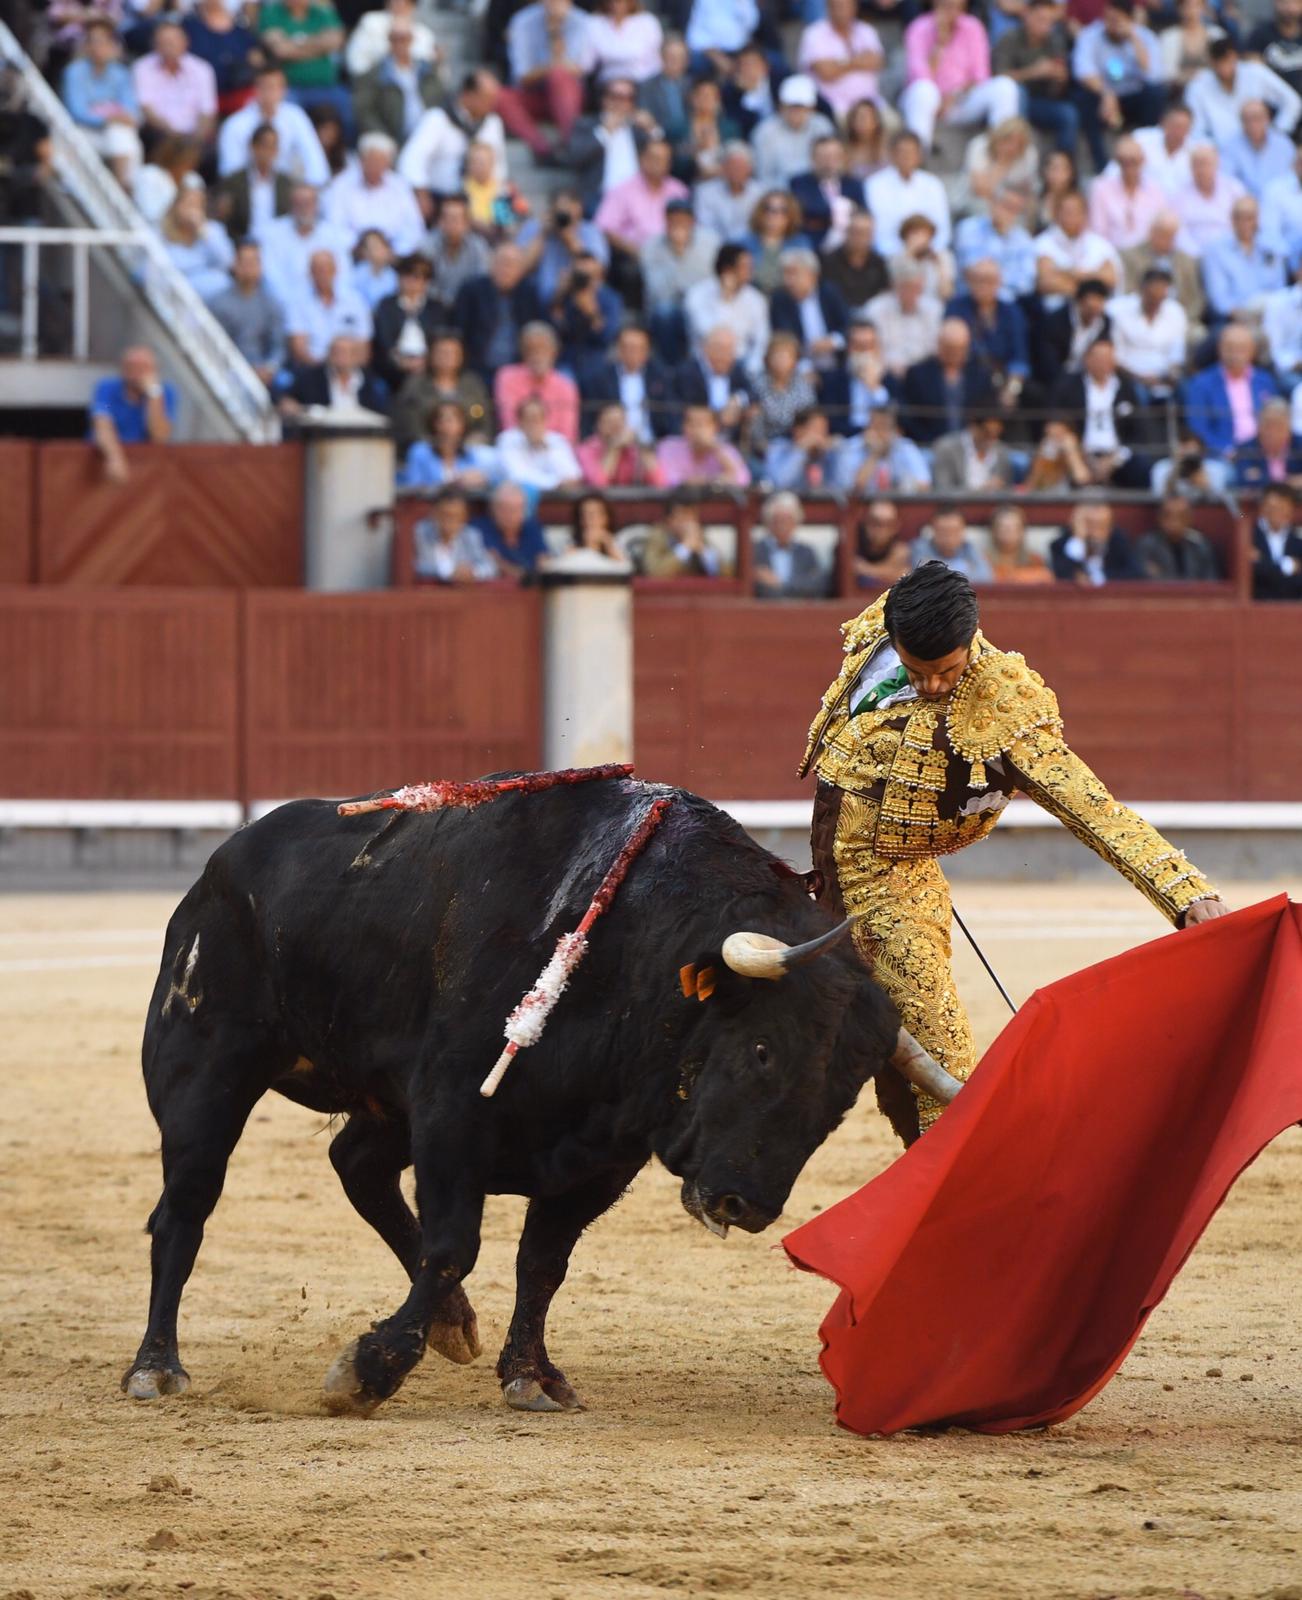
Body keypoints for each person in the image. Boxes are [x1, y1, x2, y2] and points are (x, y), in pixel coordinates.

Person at [802, 564, 1225, 1125]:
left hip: (897, 883)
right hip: (833, 872)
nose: (931, 685)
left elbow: (1090, 808)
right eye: (915, 670)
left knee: (937, 1061)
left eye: (946, 671)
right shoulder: (884, 627)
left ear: (970, 642)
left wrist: (1184, 890)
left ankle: (954, 1195)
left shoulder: (1001, 705)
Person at [900, 0, 1019, 153]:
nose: (952, 12)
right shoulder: (918, 27)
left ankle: (1001, 152)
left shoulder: (973, 27)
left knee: (1005, 86)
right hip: (926, 101)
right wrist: (939, 44)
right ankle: (918, 155)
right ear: (936, 3)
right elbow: (918, 76)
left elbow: (981, 76)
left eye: (957, 7)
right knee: (924, 90)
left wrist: (955, 96)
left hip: (960, 100)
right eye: (947, 6)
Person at [1071, 0, 1165, 173]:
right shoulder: (1090, 35)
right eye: (1109, 19)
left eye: (1118, 20)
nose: (1112, 25)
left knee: (1155, 93)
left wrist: (1134, 38)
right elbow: (1083, 71)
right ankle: (1101, 166)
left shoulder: (1144, 36)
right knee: (1083, 97)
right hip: (1103, 98)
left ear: (1130, 20)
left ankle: (1147, 154)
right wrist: (1106, 94)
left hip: (1133, 98)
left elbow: (1154, 74)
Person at [397, 70, 507, 217]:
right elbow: (411, 159)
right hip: (440, 202)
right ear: (468, 94)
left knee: (506, 218)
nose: (492, 104)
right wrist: (421, 193)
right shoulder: (437, 118)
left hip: (481, 200)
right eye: (487, 98)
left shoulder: (493, 123)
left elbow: (499, 168)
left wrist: (501, 205)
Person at [498, 0, 595, 161]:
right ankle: (542, 149)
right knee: (499, 96)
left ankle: (571, 144)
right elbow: (522, 77)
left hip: (571, 98)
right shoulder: (522, 21)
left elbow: (580, 70)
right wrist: (553, 65)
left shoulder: (583, 22)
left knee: (559, 78)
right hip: (535, 94)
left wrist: (557, 34)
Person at [1051, 335, 1148, 487]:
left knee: (1142, 464)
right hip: (1080, 454)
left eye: (1108, 357)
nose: (1103, 362)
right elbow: (1055, 423)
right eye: (1098, 357)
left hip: (1117, 455)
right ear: (1087, 359)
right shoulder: (1069, 386)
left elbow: (1139, 430)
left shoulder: (1126, 388)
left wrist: (1114, 459)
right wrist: (1080, 455)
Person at [217, 64, 330, 185]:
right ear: (256, 89)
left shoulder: (296, 117)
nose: (271, 92)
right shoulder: (235, 125)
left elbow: (315, 161)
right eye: (266, 87)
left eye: (276, 87)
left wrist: (310, 189)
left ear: (284, 90)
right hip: (248, 193)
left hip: (288, 193)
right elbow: (230, 171)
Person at [62, 18, 142, 187]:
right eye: (94, 42)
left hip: (110, 132)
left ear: (113, 46)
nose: (99, 47)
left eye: (104, 42)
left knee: (122, 135)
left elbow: (130, 109)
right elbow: (77, 112)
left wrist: (115, 119)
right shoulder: (74, 71)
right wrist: (108, 118)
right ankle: (74, 188)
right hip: (84, 130)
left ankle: (124, 188)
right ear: (87, 46)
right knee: (75, 139)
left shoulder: (121, 73)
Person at [992, 0, 1078, 154]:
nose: (1046, 26)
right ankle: (1020, 153)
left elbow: (1058, 91)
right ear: (1027, 15)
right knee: (1019, 92)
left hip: (1041, 103)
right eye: (1041, 19)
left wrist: (1060, 79)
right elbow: (999, 77)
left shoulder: (1055, 41)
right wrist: (1033, 72)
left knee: (1068, 114)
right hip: (1015, 102)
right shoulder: (1009, 38)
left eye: (1050, 21)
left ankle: (1063, 165)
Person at [1181, 323, 1279, 455]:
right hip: (1223, 455)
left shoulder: (1265, 381)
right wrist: (1224, 450)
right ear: (1219, 349)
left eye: (1241, 348)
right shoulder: (1201, 384)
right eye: (1230, 347)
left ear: (1252, 351)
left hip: (1262, 455)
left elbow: (1275, 420)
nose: (1235, 354)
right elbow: (1198, 429)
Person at [325, 131, 425, 257]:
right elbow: (333, 226)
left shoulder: (400, 186)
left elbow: (413, 229)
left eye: (381, 161)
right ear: (361, 160)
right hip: (352, 255)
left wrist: (393, 252)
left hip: (393, 256)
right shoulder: (340, 185)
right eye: (371, 160)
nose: (375, 166)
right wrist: (359, 249)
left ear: (388, 163)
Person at [1186, 36, 1302, 145]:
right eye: (1218, 61)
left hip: (1260, 146)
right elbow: (1196, 130)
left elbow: (1292, 101)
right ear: (1211, 62)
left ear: (1235, 56)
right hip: (1219, 153)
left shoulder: (1255, 72)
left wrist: (1277, 133)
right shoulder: (1198, 85)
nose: (1223, 66)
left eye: (1227, 59)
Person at [258, 182, 352, 314]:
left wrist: (329, 304)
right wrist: (294, 307)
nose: (303, 208)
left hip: (329, 307)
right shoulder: (272, 235)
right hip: (285, 308)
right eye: (299, 203)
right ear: (291, 205)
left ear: (317, 205)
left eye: (308, 203)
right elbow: (272, 279)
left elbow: (343, 275)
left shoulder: (333, 235)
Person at [453, 242, 543, 379]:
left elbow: (540, 330)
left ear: (521, 270)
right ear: (491, 264)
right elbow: (458, 330)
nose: (506, 269)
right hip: (476, 367)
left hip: (518, 369)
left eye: (512, 264)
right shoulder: (471, 290)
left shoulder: (529, 294)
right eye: (502, 263)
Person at [899, 317, 995, 445]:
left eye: (960, 349)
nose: (955, 354)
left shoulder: (980, 375)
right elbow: (909, 416)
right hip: (928, 445)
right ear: (940, 345)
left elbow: (987, 413)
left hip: (971, 447)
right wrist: (931, 442)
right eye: (950, 349)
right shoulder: (918, 374)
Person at [257, 0, 349, 133]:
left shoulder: (321, 11)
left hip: (326, 86)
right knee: (283, 118)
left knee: (348, 108)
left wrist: (294, 44)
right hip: (290, 88)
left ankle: (345, 151)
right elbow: (281, 50)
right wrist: (319, 46)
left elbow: (335, 41)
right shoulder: (271, 13)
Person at [393, 332, 494, 451]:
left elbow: (484, 419)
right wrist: (439, 445)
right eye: (442, 352)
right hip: (428, 448)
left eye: (452, 353)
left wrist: (478, 438)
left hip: (468, 447)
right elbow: (410, 425)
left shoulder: (473, 384)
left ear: (461, 356)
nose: (447, 357)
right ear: (431, 355)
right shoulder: (415, 384)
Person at [89, 345, 175, 484]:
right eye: (130, 366)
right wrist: (114, 458)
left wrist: (153, 394)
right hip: (102, 464)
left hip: (145, 469)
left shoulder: (165, 393)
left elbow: (160, 436)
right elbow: (102, 424)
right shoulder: (106, 388)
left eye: (142, 367)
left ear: (154, 370)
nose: (135, 372)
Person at [352, 20, 443, 148]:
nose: (400, 43)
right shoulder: (374, 75)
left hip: (427, 136)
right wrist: (385, 137)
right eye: (395, 39)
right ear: (389, 41)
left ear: (411, 40)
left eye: (404, 38)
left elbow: (441, 101)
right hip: (392, 138)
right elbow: (364, 112)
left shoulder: (427, 72)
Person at [207, 239, 285, 385]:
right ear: (235, 265)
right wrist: (243, 370)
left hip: (265, 373)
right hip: (231, 372)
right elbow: (216, 344)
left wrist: (269, 368)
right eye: (245, 263)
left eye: (254, 263)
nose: (249, 268)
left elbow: (278, 345)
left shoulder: (271, 303)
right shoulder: (219, 303)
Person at [682, 242, 770, 373]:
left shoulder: (756, 299)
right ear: (727, 269)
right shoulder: (697, 295)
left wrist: (753, 367)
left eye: (751, 267)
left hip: (742, 363)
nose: (750, 272)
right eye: (745, 267)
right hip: (706, 363)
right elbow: (710, 335)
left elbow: (762, 340)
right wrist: (725, 299)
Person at [132, 17, 217, 151]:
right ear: (155, 44)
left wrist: (195, 139)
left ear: (185, 42)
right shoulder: (142, 67)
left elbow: (207, 112)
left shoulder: (202, 69)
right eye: (164, 41)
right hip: (158, 133)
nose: (169, 46)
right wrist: (173, 136)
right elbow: (146, 108)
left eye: (173, 41)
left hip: (193, 137)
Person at [581, 320, 675, 442]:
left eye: (638, 348)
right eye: (627, 347)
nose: (632, 353)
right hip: (612, 443)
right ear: (618, 349)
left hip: (653, 444)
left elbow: (670, 418)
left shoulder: (660, 377)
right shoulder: (600, 379)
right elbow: (590, 421)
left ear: (647, 351)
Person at [1201, 195, 1287, 326]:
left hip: (1271, 316)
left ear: (1257, 219)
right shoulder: (1216, 250)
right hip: (1232, 319)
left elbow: (1280, 289)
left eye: (1250, 218)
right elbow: (1219, 299)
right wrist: (1244, 317)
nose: (1246, 223)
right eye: (1240, 218)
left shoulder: (1271, 247)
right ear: (1232, 220)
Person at [865, 131, 951, 257]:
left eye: (911, 152)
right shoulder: (874, 184)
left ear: (919, 156)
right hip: (890, 255)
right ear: (892, 154)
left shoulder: (933, 184)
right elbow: (879, 231)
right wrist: (904, 253)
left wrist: (929, 249)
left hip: (929, 253)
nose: (907, 156)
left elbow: (943, 228)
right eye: (902, 152)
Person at [797, 0, 885, 124]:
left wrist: (840, 63)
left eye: (845, 6)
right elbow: (826, 72)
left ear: (854, 7)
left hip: (872, 104)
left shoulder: (866, 30)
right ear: (828, 8)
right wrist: (859, 60)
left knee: (892, 123)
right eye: (837, 6)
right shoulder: (814, 33)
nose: (841, 11)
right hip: (834, 108)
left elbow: (877, 62)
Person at [1035, 189, 1121, 311]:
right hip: (1055, 313)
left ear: (1085, 214)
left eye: (1077, 211)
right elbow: (1046, 282)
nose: (1072, 217)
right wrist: (1088, 288)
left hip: (1096, 313)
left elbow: (1110, 278)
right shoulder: (1043, 243)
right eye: (1068, 212)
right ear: (1056, 213)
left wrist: (1070, 274)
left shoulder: (1100, 245)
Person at [493, 320, 579, 441]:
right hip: (518, 444)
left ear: (554, 352)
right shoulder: (506, 377)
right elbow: (509, 424)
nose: (537, 354)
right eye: (531, 349)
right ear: (523, 352)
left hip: (553, 447)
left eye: (543, 348)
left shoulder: (566, 385)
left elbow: (568, 434)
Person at [1108, 266, 1188, 396]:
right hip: (1131, 375)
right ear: (1142, 291)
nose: (1155, 302)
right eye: (1152, 297)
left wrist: (1169, 377)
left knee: (1186, 390)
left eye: (1160, 297)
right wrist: (1139, 378)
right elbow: (1117, 357)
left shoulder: (1176, 312)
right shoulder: (1119, 311)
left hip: (1164, 376)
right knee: (1138, 394)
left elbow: (1177, 353)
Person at [769, 248, 849, 372]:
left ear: (812, 275)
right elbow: (785, 339)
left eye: (793, 273)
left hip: (837, 362)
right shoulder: (780, 300)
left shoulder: (830, 293)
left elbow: (848, 326)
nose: (787, 280)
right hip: (800, 367)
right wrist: (805, 367)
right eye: (785, 274)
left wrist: (833, 341)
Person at [954, 183, 1037, 301]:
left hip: (1008, 304)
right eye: (1006, 205)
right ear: (993, 203)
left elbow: (1027, 283)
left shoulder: (1023, 239)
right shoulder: (968, 228)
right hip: (970, 299)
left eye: (1015, 209)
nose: (1009, 212)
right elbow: (972, 271)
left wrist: (991, 277)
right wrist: (999, 278)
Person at [212, 122, 293, 243]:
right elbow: (222, 219)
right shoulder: (233, 182)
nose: (268, 152)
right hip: (242, 244)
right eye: (265, 146)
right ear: (253, 147)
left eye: (273, 147)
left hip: (277, 246)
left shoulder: (286, 183)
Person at [751, 74, 836, 188]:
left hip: (817, 192)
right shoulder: (764, 132)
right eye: (791, 107)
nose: (796, 112)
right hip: (780, 194)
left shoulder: (822, 126)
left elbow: (831, 166)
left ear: (811, 108)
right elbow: (764, 176)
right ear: (781, 106)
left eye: (801, 107)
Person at [865, 260, 943, 381]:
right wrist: (889, 367)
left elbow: (935, 348)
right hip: (886, 372)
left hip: (925, 374)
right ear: (894, 286)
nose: (911, 292)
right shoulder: (875, 309)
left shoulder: (934, 309)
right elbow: (871, 347)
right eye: (906, 287)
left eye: (916, 287)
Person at [829, 404, 931, 494]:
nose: (880, 434)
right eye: (876, 427)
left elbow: (925, 485)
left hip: (898, 507)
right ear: (867, 429)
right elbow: (854, 490)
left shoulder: (905, 447)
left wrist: (903, 485)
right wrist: (874, 455)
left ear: (894, 430)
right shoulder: (852, 448)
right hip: (860, 509)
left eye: (885, 427)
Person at [1088, 136, 1166, 252]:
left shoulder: (1156, 190)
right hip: (1112, 253)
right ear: (1117, 162)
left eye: (1133, 161)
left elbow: (1161, 228)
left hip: (1148, 255)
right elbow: (1098, 230)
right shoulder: (1101, 188)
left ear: (1142, 161)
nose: (1128, 166)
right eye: (1123, 161)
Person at [789, 136, 865, 253]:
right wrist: (842, 209)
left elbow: (862, 214)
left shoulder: (853, 184)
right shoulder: (799, 183)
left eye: (834, 157)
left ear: (843, 158)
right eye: (823, 157)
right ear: (813, 158)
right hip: (813, 246)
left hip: (847, 248)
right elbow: (805, 211)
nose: (829, 162)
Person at [160, 181, 234, 302]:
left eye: (196, 205)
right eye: (188, 204)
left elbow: (227, 262)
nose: (192, 211)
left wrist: (203, 232)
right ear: (176, 205)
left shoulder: (213, 230)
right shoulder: (163, 231)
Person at [281, 333, 388, 415]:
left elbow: (379, 414)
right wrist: (293, 406)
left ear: (356, 357)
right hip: (321, 435)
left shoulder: (370, 382)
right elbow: (287, 402)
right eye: (336, 352)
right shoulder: (310, 378)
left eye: (345, 352)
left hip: (360, 436)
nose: (340, 357)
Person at [401, 400, 498, 490]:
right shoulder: (419, 452)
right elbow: (413, 488)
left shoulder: (470, 455)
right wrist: (451, 484)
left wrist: (483, 479)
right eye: (442, 419)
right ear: (434, 424)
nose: (447, 425)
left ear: (463, 425)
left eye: (453, 419)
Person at [745, 331, 818, 451]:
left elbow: (810, 418)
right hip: (765, 446)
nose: (781, 360)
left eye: (786, 356)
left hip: (797, 444)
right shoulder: (756, 385)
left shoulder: (803, 385)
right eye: (777, 355)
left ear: (795, 360)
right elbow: (754, 425)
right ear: (767, 359)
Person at [1171, 144, 1245, 259]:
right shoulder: (1179, 194)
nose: (1201, 169)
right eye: (1197, 164)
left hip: (1231, 253)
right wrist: (1198, 254)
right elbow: (1180, 233)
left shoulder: (1234, 188)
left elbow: (1243, 223)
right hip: (1194, 258)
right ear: (1190, 167)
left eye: (1206, 163)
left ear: (1217, 164)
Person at [495, 395, 583, 491]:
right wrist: (555, 482)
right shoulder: (507, 439)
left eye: (539, 418)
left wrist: (546, 448)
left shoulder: (558, 440)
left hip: (554, 496)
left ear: (546, 420)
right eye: (529, 418)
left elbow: (572, 475)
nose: (534, 424)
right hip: (520, 495)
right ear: (519, 421)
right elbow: (517, 476)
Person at [753, 492, 830, 600]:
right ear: (768, 523)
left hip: (801, 611)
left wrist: (782, 585)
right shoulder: (755, 551)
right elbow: (756, 586)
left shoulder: (807, 552)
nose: (782, 526)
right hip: (765, 610)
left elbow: (817, 585)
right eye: (777, 520)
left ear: (795, 523)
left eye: (787, 520)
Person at [413, 488, 499, 584]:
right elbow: (415, 566)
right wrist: (449, 572)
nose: (449, 522)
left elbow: (490, 567)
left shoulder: (470, 535)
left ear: (464, 517)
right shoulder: (420, 533)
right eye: (445, 515)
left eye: (456, 516)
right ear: (434, 513)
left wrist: (473, 572)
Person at [656, 404, 751, 487]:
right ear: (683, 426)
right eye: (691, 423)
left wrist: (715, 448)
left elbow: (743, 480)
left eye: (702, 424)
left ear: (715, 427)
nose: (696, 430)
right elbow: (665, 481)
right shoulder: (668, 446)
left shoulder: (725, 449)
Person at [1135, 492, 1221, 580]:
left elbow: (1211, 581)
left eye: (1181, 516)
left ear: (1190, 519)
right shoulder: (1147, 545)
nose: (1174, 522)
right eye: (1167, 516)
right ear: (1159, 518)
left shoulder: (1200, 545)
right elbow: (1145, 581)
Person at [1050, 501, 1141, 583]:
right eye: (1090, 525)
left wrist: (1096, 578)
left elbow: (1136, 574)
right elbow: (1062, 575)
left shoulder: (1118, 541)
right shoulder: (1060, 544)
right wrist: (1079, 540)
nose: (1096, 533)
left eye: (1102, 526)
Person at [576, 400, 663, 486]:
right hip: (600, 499)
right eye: (610, 422)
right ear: (598, 425)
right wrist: (614, 449)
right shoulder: (586, 450)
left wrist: (642, 447)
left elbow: (660, 483)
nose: (616, 427)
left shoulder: (633, 449)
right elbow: (598, 485)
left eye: (620, 422)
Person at [1223, 97, 1296, 200]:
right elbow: (1227, 181)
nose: (1253, 124)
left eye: (1257, 118)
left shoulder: (1284, 145)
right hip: (1244, 206)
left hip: (1278, 203)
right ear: (1241, 122)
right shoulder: (1229, 146)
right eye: (1247, 119)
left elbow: (1292, 181)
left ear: (1268, 119)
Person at [475, 481, 550, 577]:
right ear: (493, 509)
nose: (510, 515)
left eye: (516, 510)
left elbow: (543, 559)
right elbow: (494, 564)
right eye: (504, 509)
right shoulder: (479, 529)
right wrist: (523, 575)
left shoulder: (532, 526)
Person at [821, 209, 888, 312]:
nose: (861, 238)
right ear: (847, 232)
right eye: (856, 232)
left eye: (866, 233)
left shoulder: (880, 264)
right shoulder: (828, 261)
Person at [693, 140, 761, 242]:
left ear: (749, 169)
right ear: (723, 168)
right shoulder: (705, 192)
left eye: (740, 167)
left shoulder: (760, 193)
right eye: (732, 166)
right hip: (716, 248)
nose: (736, 171)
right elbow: (705, 228)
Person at [931, 411, 1014, 492]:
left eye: (997, 434)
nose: (992, 439)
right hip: (958, 505)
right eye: (987, 433)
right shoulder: (946, 449)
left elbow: (1008, 490)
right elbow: (943, 489)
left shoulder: (1002, 451)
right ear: (973, 427)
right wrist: (980, 491)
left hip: (994, 505)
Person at [763, 407, 842, 491]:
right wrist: (800, 451)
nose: (821, 436)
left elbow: (844, 484)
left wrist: (838, 453)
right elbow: (779, 483)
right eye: (816, 429)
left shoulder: (831, 451)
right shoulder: (779, 447)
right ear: (798, 430)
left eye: (824, 429)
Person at [1232, 397, 1302, 489]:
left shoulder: (1299, 444)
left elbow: (1255, 479)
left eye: (1278, 425)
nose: (1272, 432)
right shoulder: (1246, 448)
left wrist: (1262, 477)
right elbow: (1244, 480)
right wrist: (1289, 482)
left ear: (1288, 427)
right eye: (1268, 425)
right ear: (1259, 426)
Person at [639, 502, 722, 578]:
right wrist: (685, 547)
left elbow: (724, 572)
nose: (687, 524)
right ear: (669, 520)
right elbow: (655, 572)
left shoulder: (698, 535)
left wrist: (703, 551)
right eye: (682, 518)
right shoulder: (657, 536)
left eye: (691, 518)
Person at [911, 507, 993, 582]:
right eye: (943, 532)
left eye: (954, 531)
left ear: (963, 531)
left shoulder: (970, 548)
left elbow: (985, 577)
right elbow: (926, 579)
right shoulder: (920, 548)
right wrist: (965, 571)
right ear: (934, 531)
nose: (949, 537)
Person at [1252, 482, 1302, 596]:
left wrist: (1265, 563)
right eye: (1273, 507)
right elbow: (1254, 572)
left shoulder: (1298, 538)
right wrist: (1287, 566)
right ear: (1263, 508)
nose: (1278, 512)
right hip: (1258, 603)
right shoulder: (1250, 536)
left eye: (1283, 507)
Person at [853, 499, 912, 587]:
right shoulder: (852, 545)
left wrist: (866, 569)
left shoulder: (901, 550)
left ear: (896, 527)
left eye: (888, 524)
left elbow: (905, 574)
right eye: (875, 523)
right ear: (866, 523)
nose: (881, 530)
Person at [987, 504, 1051, 583]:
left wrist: (1015, 577)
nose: (1009, 532)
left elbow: (1046, 577)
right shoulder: (985, 560)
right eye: (1003, 527)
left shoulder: (1034, 559)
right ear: (994, 530)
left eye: (1014, 527)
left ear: (1022, 531)